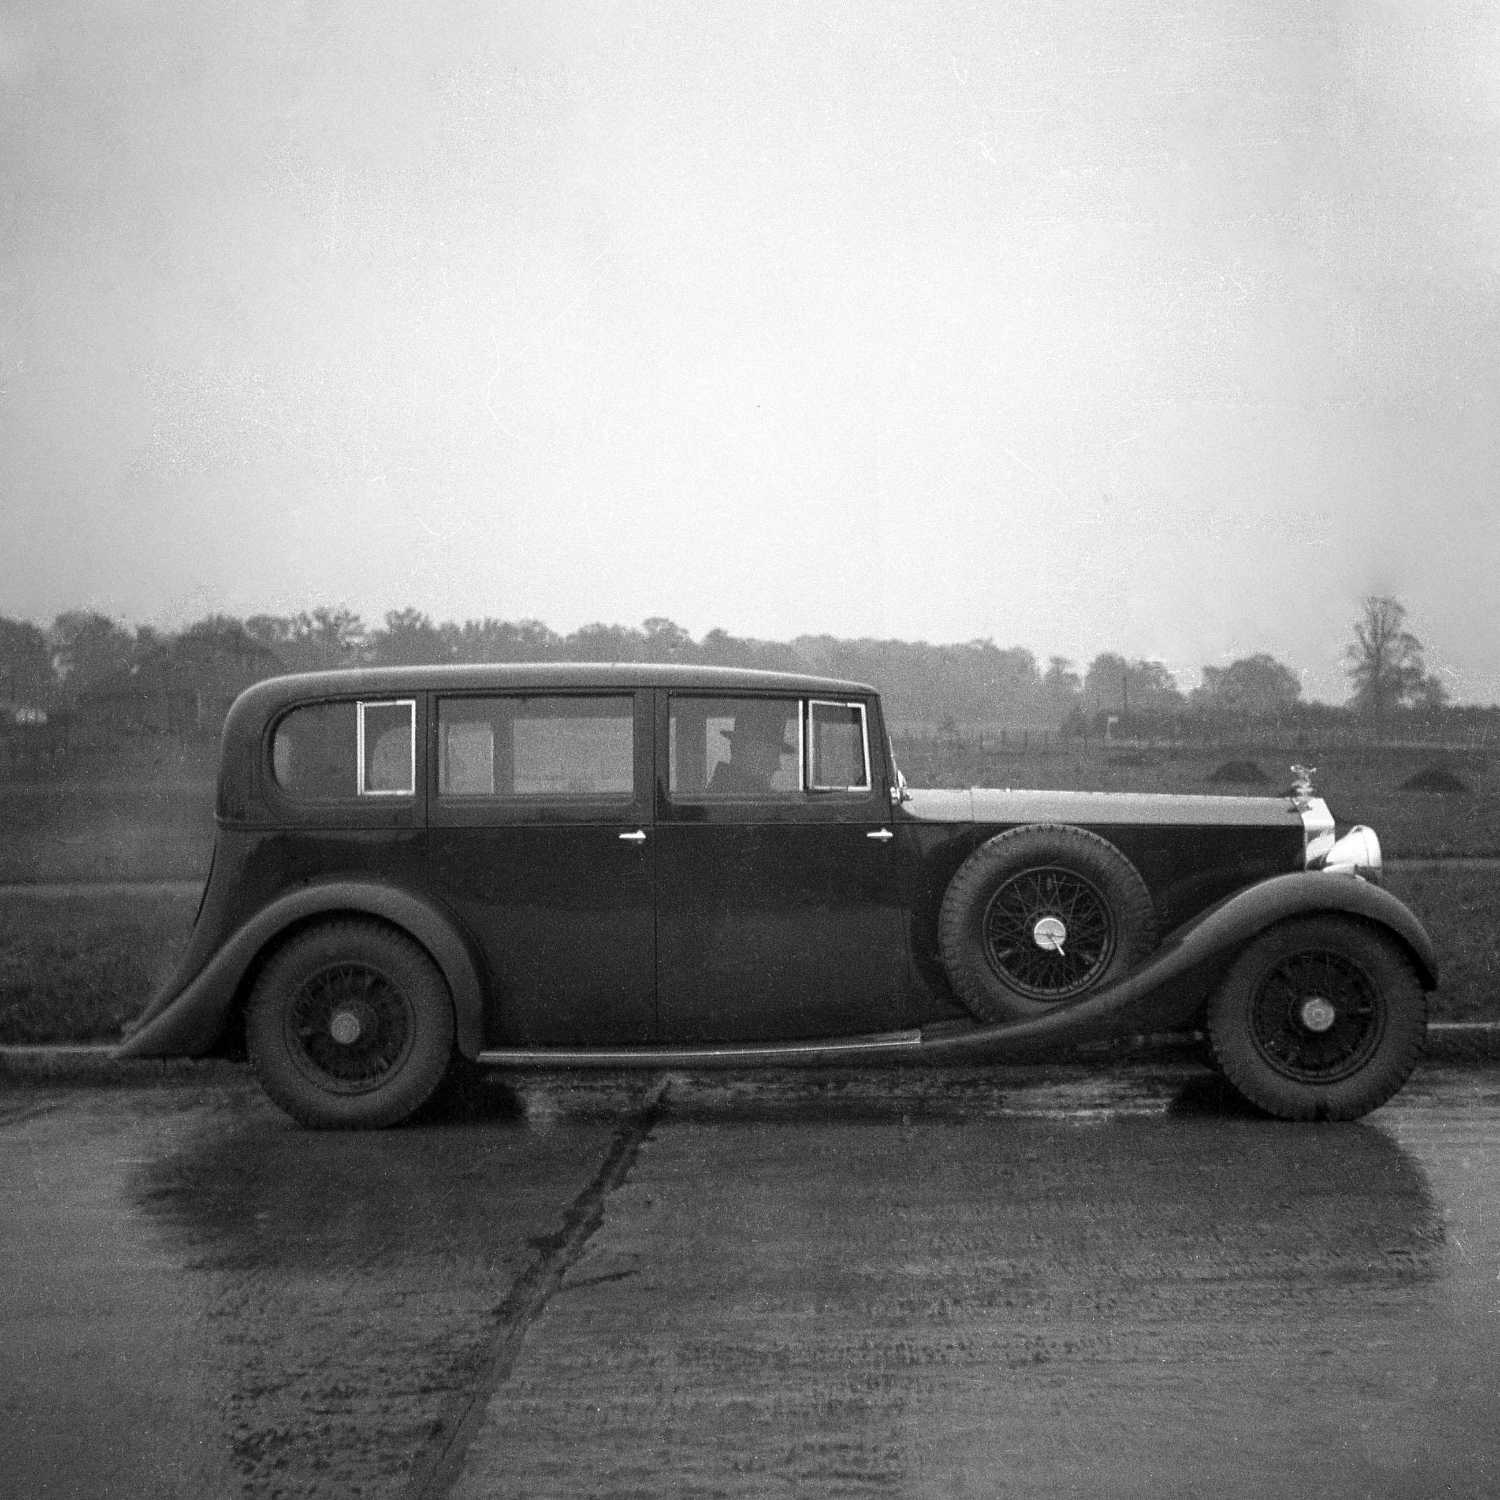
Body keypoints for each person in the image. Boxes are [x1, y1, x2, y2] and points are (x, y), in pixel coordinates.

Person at [708, 704, 795, 793]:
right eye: (768, 755)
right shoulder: (731, 796)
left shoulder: (756, 797)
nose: (777, 766)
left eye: (775, 755)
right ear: (739, 748)